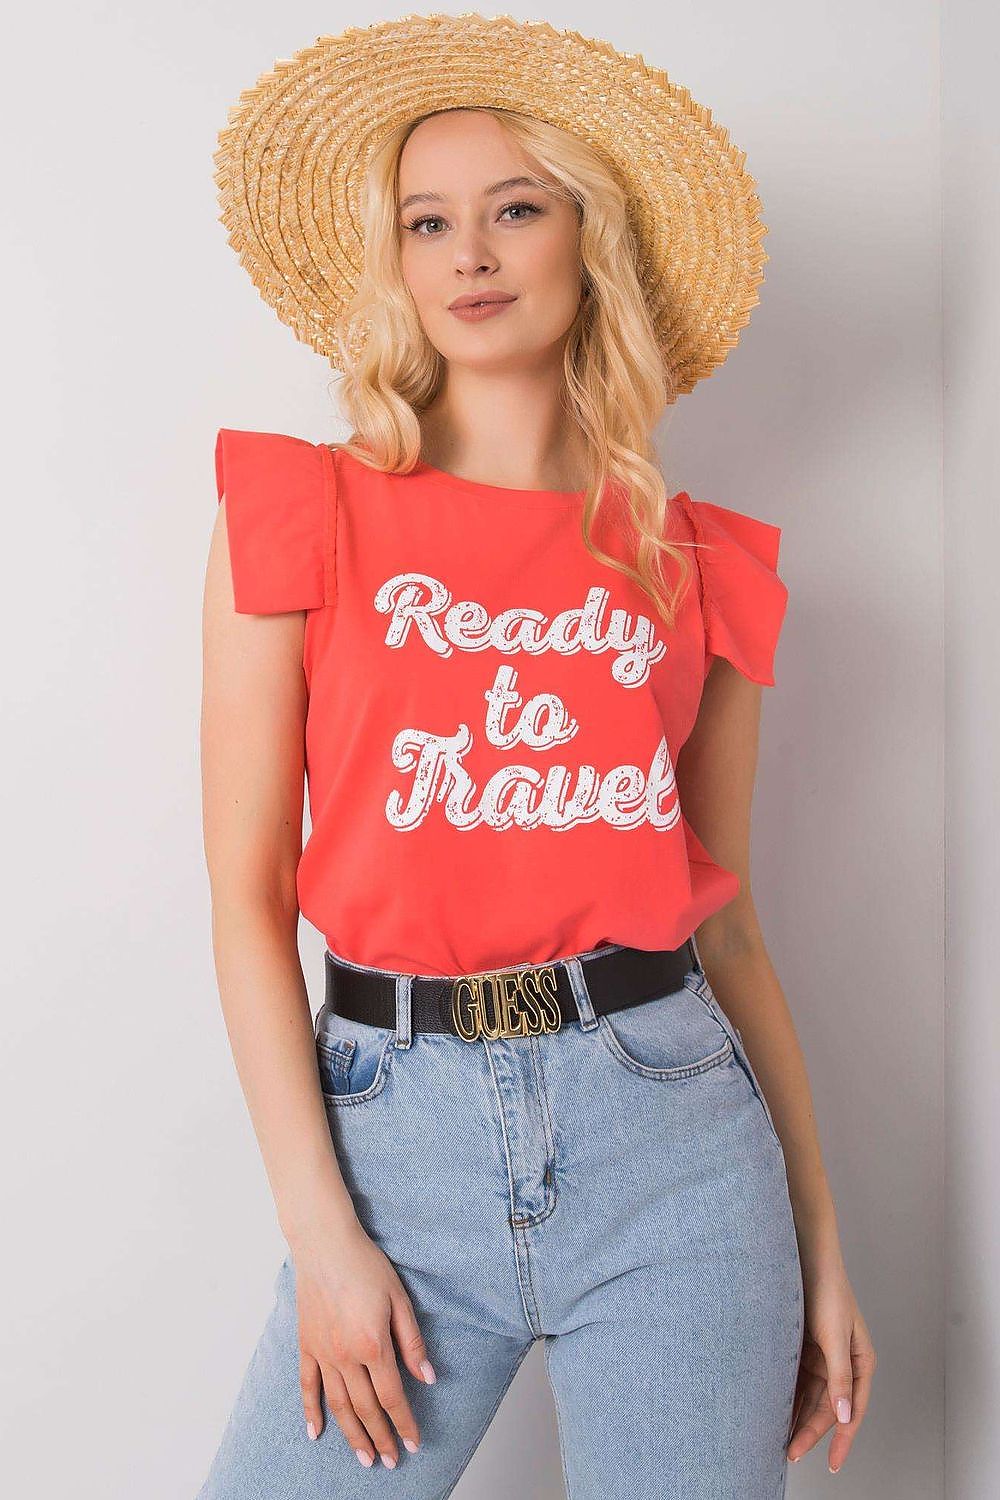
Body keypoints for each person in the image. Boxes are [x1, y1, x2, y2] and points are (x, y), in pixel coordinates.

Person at [198, 14, 875, 1498]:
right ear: (396, 263)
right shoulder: (301, 513)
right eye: (427, 222)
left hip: (676, 1142)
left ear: (588, 243)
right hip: (395, 1138)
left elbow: (733, 919)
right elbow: (246, 899)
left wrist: (822, 1244)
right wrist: (324, 1235)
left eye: (517, 208)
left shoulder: (697, 564)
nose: (470, 253)